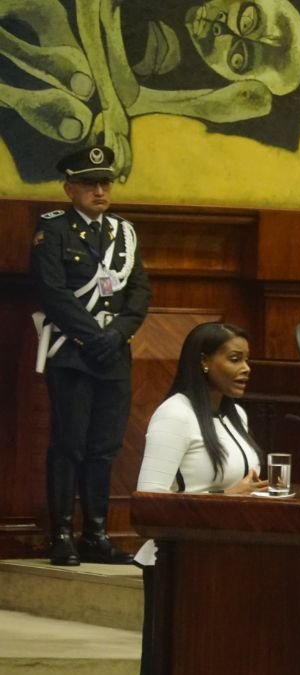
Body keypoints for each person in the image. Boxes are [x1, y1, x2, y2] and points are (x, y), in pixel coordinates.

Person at [30, 144, 151, 566]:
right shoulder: (53, 230)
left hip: (114, 354)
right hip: (73, 354)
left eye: (105, 183)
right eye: (89, 184)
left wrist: (116, 333)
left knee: (104, 446)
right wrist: (91, 338)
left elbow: (139, 292)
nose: (100, 190)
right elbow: (53, 292)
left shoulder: (125, 233)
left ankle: (95, 532)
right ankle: (61, 533)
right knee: (70, 444)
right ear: (69, 189)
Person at [134, 322, 268, 675]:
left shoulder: (235, 414)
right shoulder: (174, 415)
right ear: (204, 362)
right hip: (180, 562)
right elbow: (149, 503)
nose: (246, 369)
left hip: (233, 555)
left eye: (248, 360)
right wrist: (226, 498)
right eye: (235, 359)